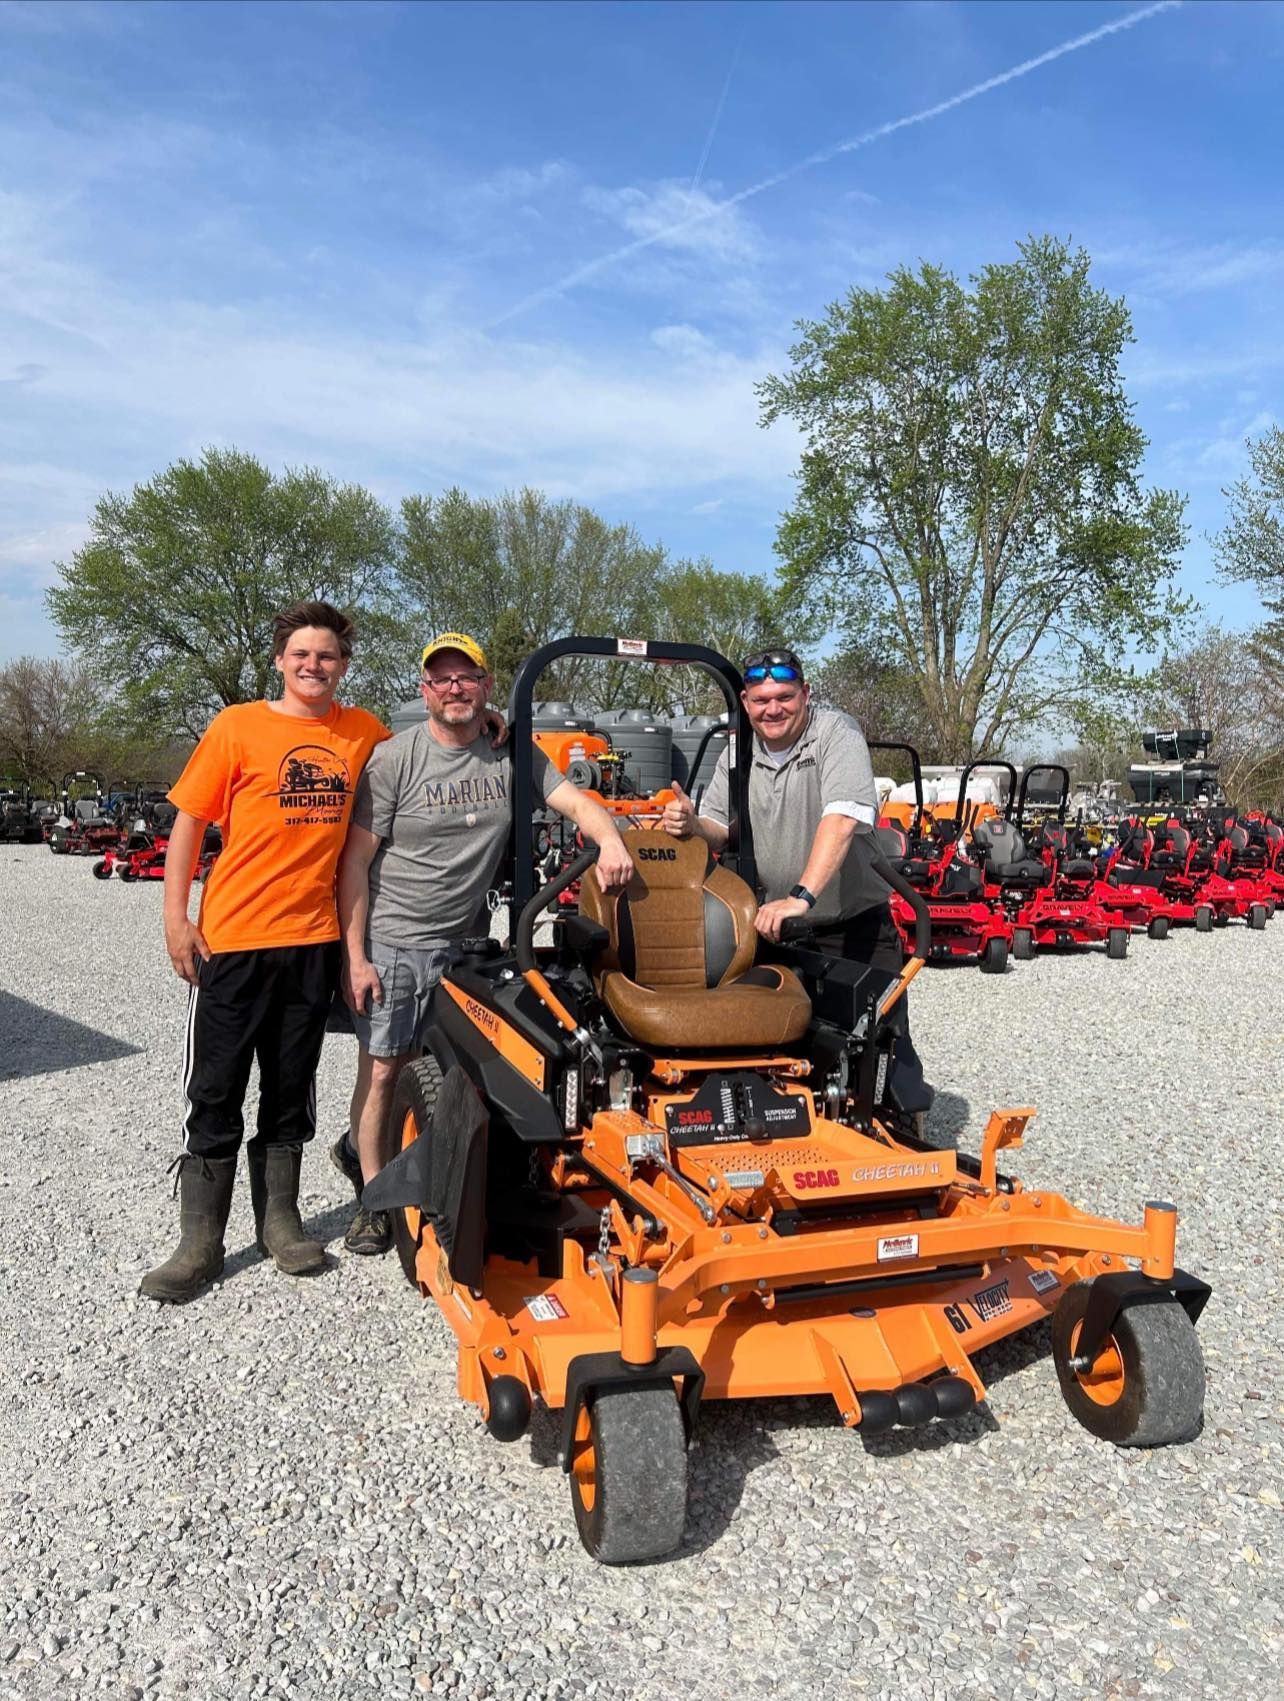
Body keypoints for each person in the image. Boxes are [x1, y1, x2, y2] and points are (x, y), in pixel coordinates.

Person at [331, 632, 635, 1254]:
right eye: (441, 678)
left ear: (486, 686)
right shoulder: (395, 760)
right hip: (396, 939)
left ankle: (411, 1159)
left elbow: (577, 801)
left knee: (455, 1069)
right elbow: (354, 864)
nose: (454, 688)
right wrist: (356, 956)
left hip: (469, 943)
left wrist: (611, 841)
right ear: (424, 690)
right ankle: (371, 1197)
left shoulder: (510, 752)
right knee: (385, 1068)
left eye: (466, 677)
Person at [141, 601, 391, 1303]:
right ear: (280, 660)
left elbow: (427, 750)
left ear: (343, 665)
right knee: (216, 1087)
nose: (314, 665)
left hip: (310, 943)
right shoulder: (237, 727)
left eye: (328, 656)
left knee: (290, 1089)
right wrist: (174, 916)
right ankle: (200, 1242)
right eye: (302, 654)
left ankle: (281, 1220)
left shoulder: (361, 731)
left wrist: (491, 725)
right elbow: (189, 821)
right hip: (233, 941)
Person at [661, 646, 928, 1104]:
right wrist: (690, 824)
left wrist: (802, 895)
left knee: (879, 1052)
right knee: (779, 1049)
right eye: (761, 700)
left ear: (806, 693)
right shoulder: (737, 751)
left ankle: (902, 1138)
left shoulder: (834, 733)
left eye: (784, 696)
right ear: (745, 702)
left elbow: (842, 817)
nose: (773, 709)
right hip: (777, 927)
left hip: (852, 927)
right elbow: (720, 830)